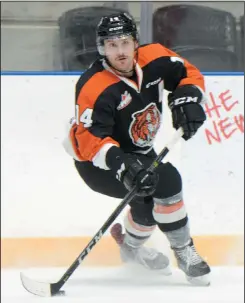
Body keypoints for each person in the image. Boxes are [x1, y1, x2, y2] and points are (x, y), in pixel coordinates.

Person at [63, 12, 210, 285]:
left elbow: (188, 73)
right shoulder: (93, 86)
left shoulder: (155, 57)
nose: (119, 51)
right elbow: (89, 140)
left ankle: (131, 250)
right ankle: (184, 251)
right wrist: (121, 164)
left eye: (124, 43)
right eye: (111, 45)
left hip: (140, 152)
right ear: (102, 48)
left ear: (135, 43)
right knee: (167, 182)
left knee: (146, 205)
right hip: (97, 163)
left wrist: (188, 99)